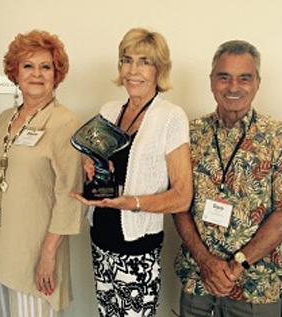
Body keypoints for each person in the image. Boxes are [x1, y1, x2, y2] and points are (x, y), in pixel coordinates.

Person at [173, 40, 282, 317]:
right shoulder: (189, 135)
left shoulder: (281, 138)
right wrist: (206, 262)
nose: (233, 87)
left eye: (244, 78)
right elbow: (178, 203)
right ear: (212, 81)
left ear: (258, 83)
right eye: (224, 77)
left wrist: (236, 266)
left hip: (257, 287)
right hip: (198, 281)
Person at [72, 28, 193, 317]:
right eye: (127, 60)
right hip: (100, 235)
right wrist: (87, 166)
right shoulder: (109, 110)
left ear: (159, 69)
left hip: (137, 245)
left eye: (145, 61)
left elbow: (182, 197)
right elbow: (96, 163)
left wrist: (133, 203)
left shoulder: (171, 118)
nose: (133, 70)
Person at [0, 30, 84, 316]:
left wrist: (48, 255)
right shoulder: (6, 117)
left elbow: (69, 194)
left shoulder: (65, 122)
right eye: (28, 66)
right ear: (15, 72)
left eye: (45, 66)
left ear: (56, 74)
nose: (36, 74)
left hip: (35, 252)